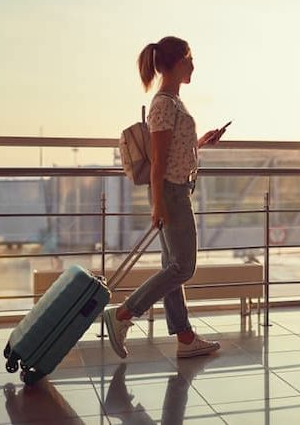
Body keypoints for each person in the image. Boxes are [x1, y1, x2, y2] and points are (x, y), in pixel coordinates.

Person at [104, 36, 226, 359]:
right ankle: (123, 315)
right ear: (174, 63)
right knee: (183, 267)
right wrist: (158, 205)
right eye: (189, 58)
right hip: (170, 193)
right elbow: (157, 162)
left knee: (171, 265)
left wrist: (200, 142)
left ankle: (185, 338)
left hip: (175, 189)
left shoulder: (172, 102)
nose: (193, 65)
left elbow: (171, 152)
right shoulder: (163, 105)